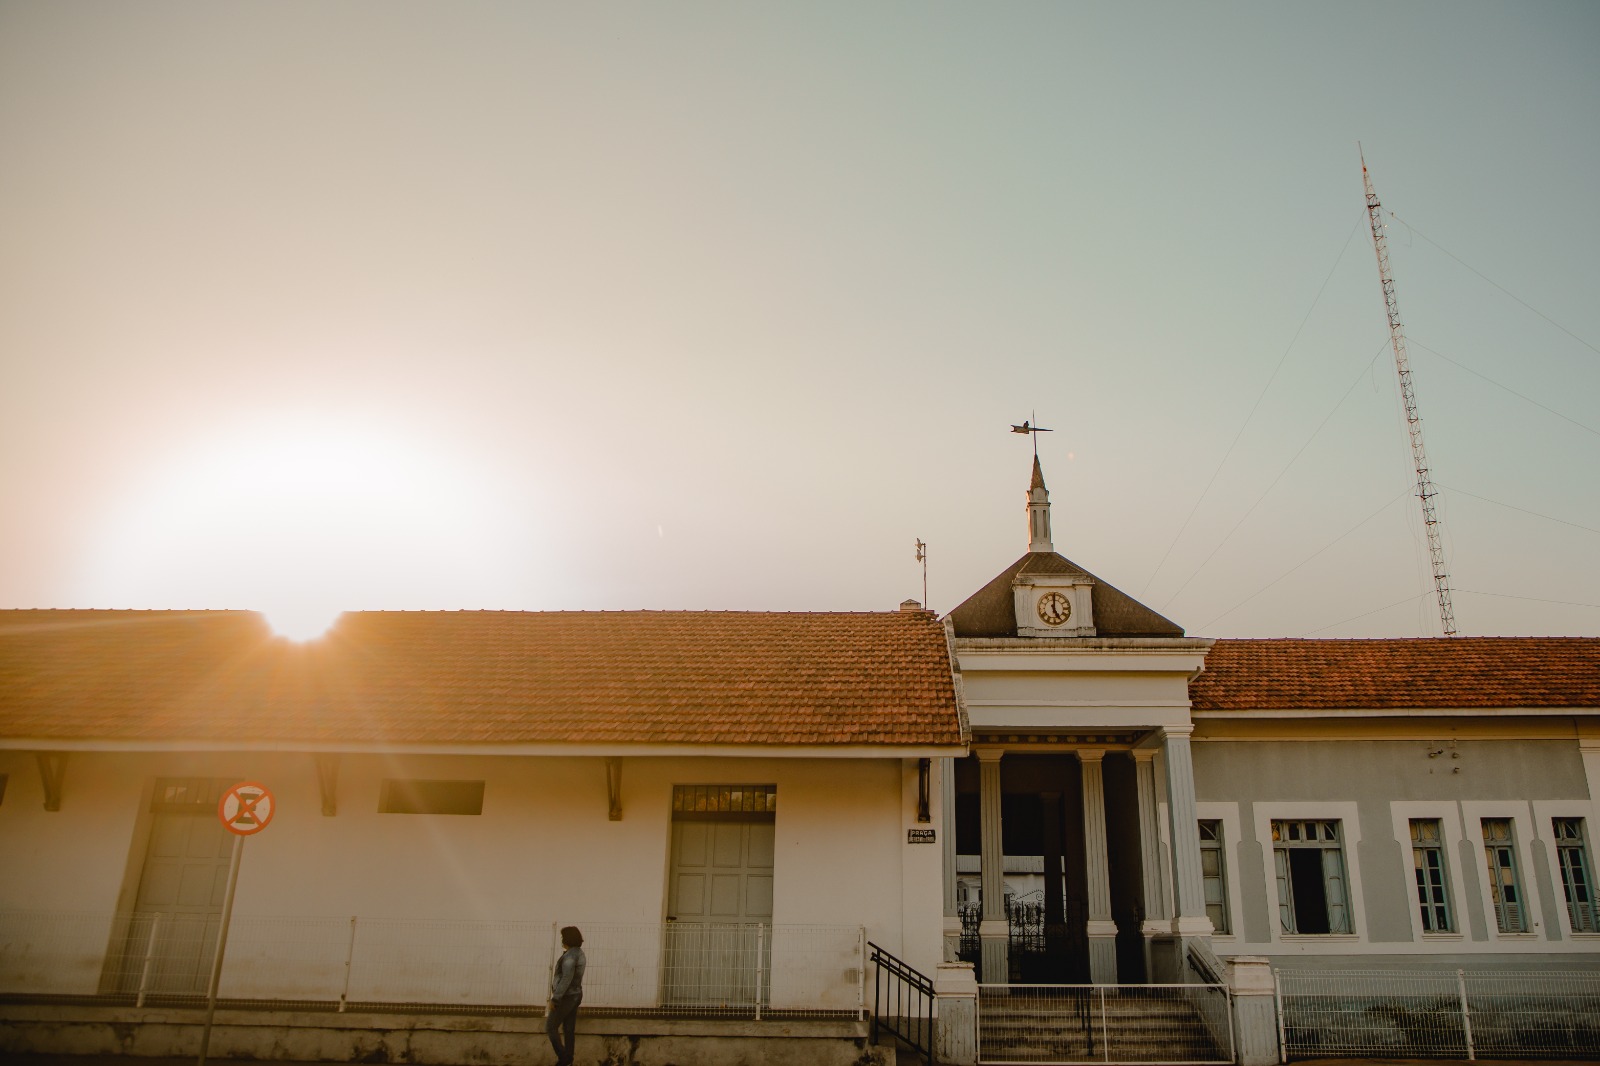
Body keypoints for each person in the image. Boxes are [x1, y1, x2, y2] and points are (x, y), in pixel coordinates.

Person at [546, 925, 585, 1066]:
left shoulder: (571, 956)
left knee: (550, 1027)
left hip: (566, 997)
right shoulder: (578, 953)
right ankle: (568, 1060)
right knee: (568, 1029)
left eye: (563, 937)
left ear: (568, 938)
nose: (562, 939)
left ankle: (564, 1059)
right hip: (575, 995)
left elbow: (566, 978)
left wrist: (555, 999)